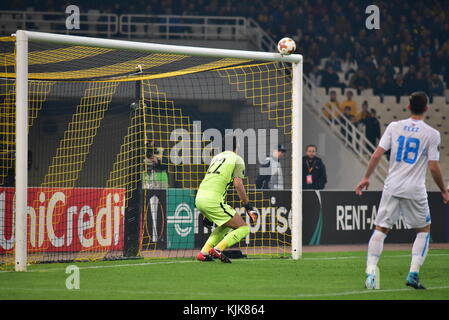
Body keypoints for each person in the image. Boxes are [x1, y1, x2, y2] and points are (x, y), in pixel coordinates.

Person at [355, 92, 449, 290]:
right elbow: (433, 166)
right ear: (426, 108)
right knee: (423, 231)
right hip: (415, 189)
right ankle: (413, 273)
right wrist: (443, 190)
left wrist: (366, 177)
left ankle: (371, 273)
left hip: (392, 185)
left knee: (381, 229)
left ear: (408, 107)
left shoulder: (394, 127)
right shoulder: (432, 134)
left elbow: (377, 154)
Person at [195, 134, 257, 263]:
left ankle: (204, 252)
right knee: (244, 228)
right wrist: (248, 207)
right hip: (212, 200)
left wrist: (206, 214)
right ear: (237, 146)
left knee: (226, 224)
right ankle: (217, 249)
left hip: (200, 197)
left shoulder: (216, 158)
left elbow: (214, 181)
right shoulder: (237, 159)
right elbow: (238, 184)